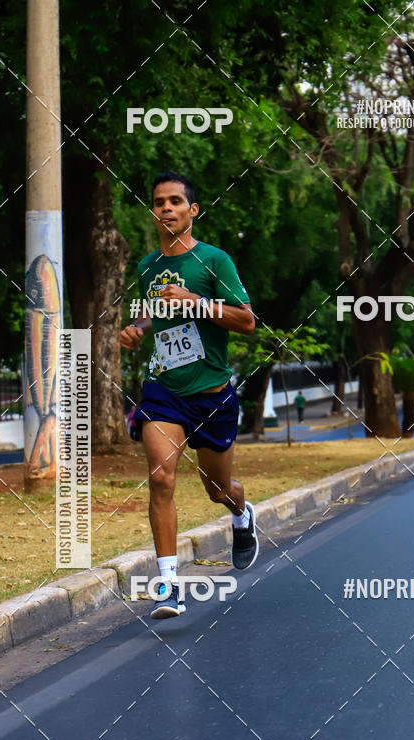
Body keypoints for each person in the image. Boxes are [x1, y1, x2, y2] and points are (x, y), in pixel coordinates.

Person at [120, 171, 258, 619]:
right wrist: (136, 329)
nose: (166, 208)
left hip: (212, 393)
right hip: (163, 391)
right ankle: (169, 586)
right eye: (159, 201)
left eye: (176, 201)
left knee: (217, 489)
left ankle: (241, 514)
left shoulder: (214, 261)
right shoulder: (146, 269)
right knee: (161, 478)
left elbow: (246, 320)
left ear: (192, 210)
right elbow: (154, 316)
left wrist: (195, 302)